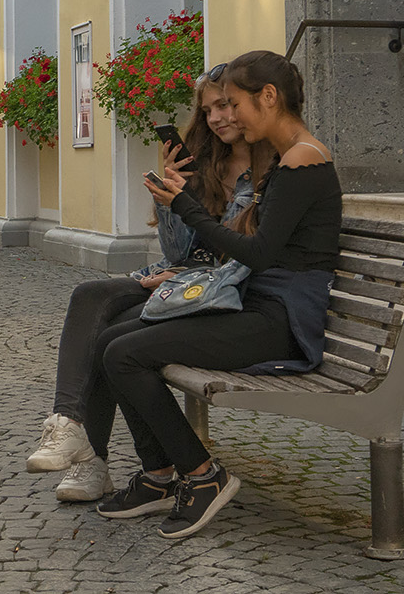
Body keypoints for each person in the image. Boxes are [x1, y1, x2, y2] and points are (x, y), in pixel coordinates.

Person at [93, 50, 341, 540]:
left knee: (124, 354)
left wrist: (186, 207)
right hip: (254, 307)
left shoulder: (303, 161)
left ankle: (203, 476)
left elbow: (260, 253)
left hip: (280, 322)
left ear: (267, 98)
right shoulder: (288, 161)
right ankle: (160, 474)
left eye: (234, 103)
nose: (226, 116)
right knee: (111, 340)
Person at [26, 72, 261, 502]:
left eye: (225, 106)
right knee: (89, 295)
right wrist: (170, 197)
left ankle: (101, 463)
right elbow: (177, 250)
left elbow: (248, 253)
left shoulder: (268, 174)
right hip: (179, 276)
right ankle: (69, 427)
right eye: (208, 109)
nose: (216, 118)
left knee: (112, 333)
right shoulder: (206, 167)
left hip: (218, 290)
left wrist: (188, 272)